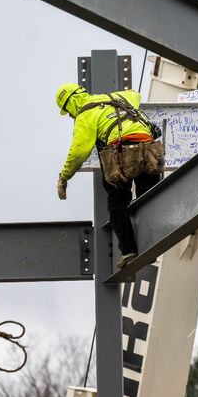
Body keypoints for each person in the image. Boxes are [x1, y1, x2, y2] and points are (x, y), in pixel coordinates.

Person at [55, 83, 165, 269]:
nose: (71, 116)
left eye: (68, 111)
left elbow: (79, 152)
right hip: (148, 149)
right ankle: (151, 242)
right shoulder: (117, 98)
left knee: (117, 202)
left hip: (121, 153)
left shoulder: (85, 115)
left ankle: (129, 250)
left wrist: (64, 177)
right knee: (149, 196)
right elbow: (135, 94)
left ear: (71, 102)